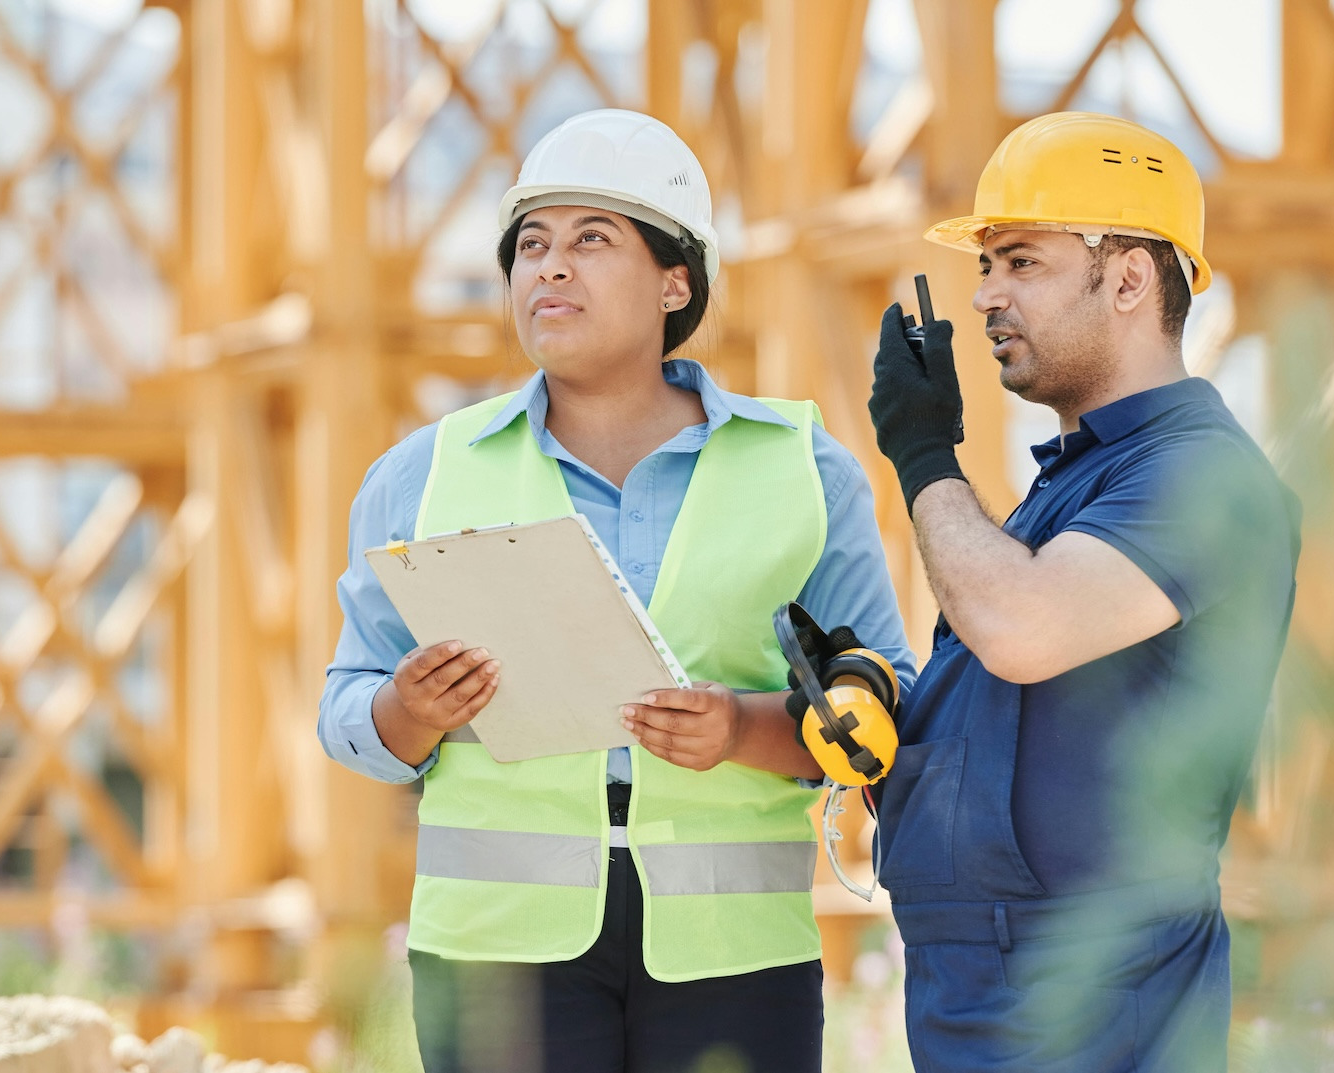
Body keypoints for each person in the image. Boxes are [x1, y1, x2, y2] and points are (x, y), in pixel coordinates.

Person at [318, 109, 917, 1073]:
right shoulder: (419, 475)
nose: (549, 268)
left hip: (736, 959)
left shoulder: (804, 470)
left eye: (592, 240)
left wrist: (742, 729)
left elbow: (884, 701)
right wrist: (404, 709)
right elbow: (347, 709)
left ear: (676, 279)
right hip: (495, 958)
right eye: (532, 247)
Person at [864, 111, 1302, 1073]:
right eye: (985, 266)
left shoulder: (1199, 477)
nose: (984, 296)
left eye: (1021, 261)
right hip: (985, 995)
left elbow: (1023, 627)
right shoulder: (1065, 490)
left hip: (1099, 1006)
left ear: (1131, 278)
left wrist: (926, 451)